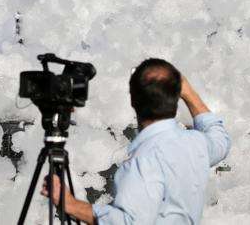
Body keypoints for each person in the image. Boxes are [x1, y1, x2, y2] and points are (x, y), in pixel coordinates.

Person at [41, 58, 231, 224]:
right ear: (176, 97)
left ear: (133, 100)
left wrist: (71, 204)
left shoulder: (144, 161)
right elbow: (220, 139)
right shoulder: (196, 144)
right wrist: (188, 92)